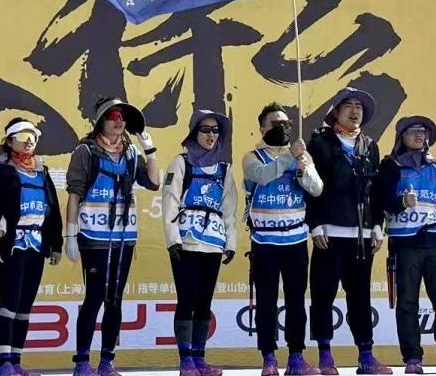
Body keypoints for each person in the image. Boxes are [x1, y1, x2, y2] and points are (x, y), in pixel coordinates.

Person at [63, 97, 160, 376]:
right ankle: (82, 363)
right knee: (94, 297)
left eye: (122, 118)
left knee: (115, 298)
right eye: (113, 116)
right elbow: (74, 193)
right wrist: (70, 234)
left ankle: (107, 362)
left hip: (123, 237)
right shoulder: (86, 151)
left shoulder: (130, 153)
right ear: (101, 121)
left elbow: (153, 182)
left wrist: (149, 151)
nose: (119, 122)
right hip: (93, 236)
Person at [305, 87, 391, 375]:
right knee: (323, 295)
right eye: (349, 106)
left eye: (359, 107)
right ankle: (325, 356)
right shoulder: (320, 142)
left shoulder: (370, 145)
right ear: (336, 112)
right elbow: (311, 186)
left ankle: (366, 356)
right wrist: (315, 224)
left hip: (361, 236)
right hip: (329, 233)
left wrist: (377, 225)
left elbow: (376, 190)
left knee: (360, 297)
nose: (355, 111)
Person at [377, 115, 436, 375]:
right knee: (407, 302)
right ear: (401, 137)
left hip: (435, 241)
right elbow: (382, 201)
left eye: (423, 131)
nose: (419, 135)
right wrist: (401, 203)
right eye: (413, 131)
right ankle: (412, 359)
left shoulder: (435, 166)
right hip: (404, 244)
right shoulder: (390, 165)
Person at [242, 103, 324, 376]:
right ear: (262, 127)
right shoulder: (252, 157)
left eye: (286, 123)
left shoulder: (301, 155)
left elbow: (317, 189)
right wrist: (290, 156)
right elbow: (263, 176)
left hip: (295, 240)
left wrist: (304, 169)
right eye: (276, 123)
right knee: (266, 300)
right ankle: (268, 357)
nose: (283, 127)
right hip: (265, 241)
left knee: (296, 301)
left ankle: (296, 356)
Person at [163, 109, 239, 376]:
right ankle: (185, 360)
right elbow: (170, 201)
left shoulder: (224, 169)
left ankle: (199, 358)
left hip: (213, 242)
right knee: (187, 298)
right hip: (186, 241)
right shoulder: (181, 162)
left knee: (205, 300)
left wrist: (230, 243)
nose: (211, 135)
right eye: (205, 130)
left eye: (215, 131)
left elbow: (229, 209)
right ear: (194, 132)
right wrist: (172, 240)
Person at [0, 118, 64, 376]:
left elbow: (52, 209)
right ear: (9, 141)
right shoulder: (0, 170)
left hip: (36, 245)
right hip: (12, 245)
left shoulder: (42, 170)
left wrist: (56, 244)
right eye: (22, 136)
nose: (29, 140)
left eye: (33, 136)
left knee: (25, 305)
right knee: (9, 302)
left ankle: (17, 361)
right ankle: (3, 362)